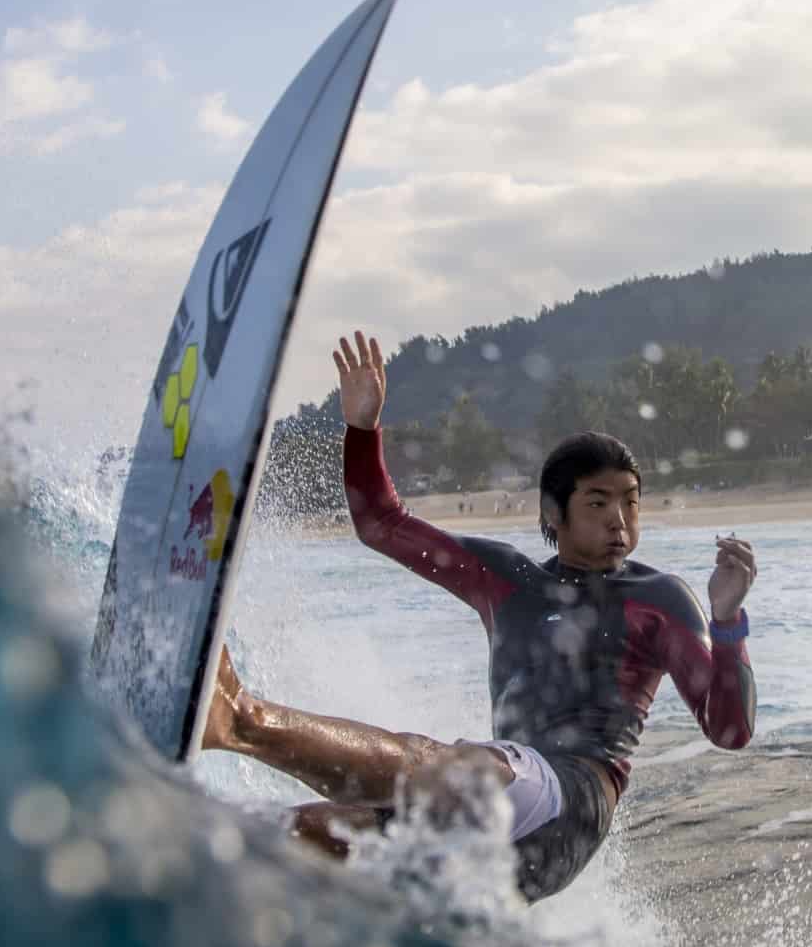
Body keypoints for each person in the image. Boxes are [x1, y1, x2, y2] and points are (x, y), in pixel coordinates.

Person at [202, 331, 758, 901]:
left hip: (569, 806)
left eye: (631, 500)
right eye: (598, 502)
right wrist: (363, 430)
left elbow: (729, 730)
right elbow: (382, 526)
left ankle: (241, 720)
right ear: (554, 513)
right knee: (291, 835)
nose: (620, 520)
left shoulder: (659, 599)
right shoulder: (508, 579)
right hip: (478, 820)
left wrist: (727, 622)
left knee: (459, 769)